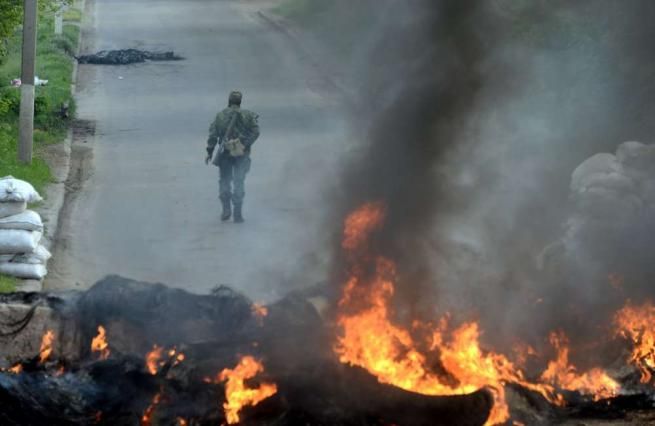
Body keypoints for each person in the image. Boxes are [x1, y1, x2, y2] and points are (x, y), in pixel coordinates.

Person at [205, 91, 260, 223]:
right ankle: (237, 213)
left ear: (229, 101)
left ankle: (226, 209)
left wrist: (210, 151)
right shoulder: (248, 115)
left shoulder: (220, 115)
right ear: (240, 102)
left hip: (225, 153)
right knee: (239, 181)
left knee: (225, 180)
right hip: (242, 153)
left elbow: (213, 135)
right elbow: (256, 131)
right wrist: (245, 144)